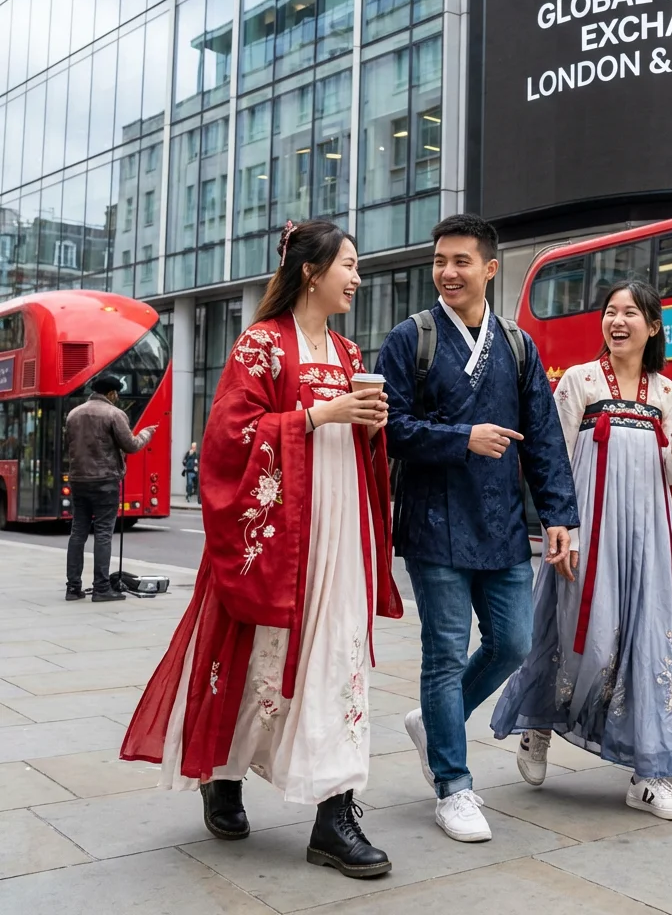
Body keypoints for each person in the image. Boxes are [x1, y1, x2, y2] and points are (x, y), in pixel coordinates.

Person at [120, 220, 404, 880]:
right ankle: (223, 773)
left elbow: (358, 445)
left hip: (339, 530)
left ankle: (335, 813)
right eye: (350, 266)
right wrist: (313, 416)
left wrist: (370, 426)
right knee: (256, 660)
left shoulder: (350, 354)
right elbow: (227, 436)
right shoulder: (261, 347)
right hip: (281, 530)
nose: (357, 279)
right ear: (313, 271)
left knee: (337, 659)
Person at [375, 213, 578, 844]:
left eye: (462, 261)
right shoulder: (412, 338)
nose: (448, 272)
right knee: (442, 654)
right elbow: (391, 428)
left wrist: (560, 516)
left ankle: (435, 722)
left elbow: (544, 438)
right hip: (434, 524)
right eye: (440, 260)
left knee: (513, 643)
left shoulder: (518, 345)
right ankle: (453, 786)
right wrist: (464, 437)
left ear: (490, 269)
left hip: (502, 525)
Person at [491, 280, 672, 820]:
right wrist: (562, 527)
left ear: (653, 327)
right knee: (573, 631)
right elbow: (552, 460)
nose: (619, 321)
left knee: (648, 637)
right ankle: (537, 728)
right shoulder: (580, 382)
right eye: (611, 312)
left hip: (649, 536)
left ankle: (650, 774)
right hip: (589, 531)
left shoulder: (666, 391)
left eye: (632, 312)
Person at [64, 373, 156, 602]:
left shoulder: (73, 414)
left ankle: (73, 588)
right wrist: (146, 433)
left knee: (78, 532)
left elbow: (70, 445)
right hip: (105, 481)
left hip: (78, 480)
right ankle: (101, 588)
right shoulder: (114, 414)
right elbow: (131, 445)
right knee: (103, 534)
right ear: (112, 393)